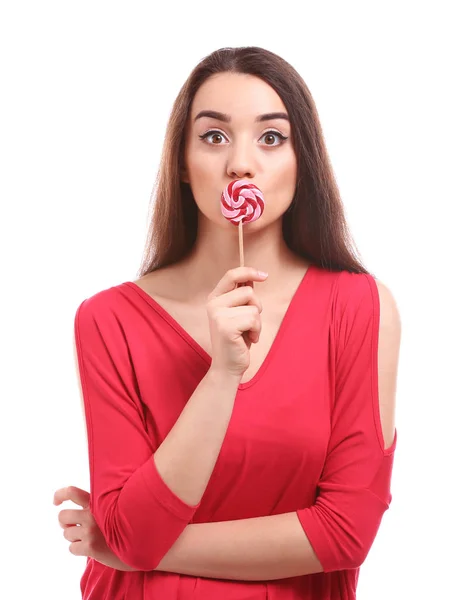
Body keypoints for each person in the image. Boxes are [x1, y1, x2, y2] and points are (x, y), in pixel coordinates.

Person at [54, 46, 401, 599]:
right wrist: (221, 375)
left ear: (301, 160)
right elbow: (132, 528)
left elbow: (346, 531)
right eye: (214, 136)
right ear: (182, 166)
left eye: (271, 137)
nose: (241, 163)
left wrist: (130, 547)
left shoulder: (359, 307)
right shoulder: (109, 319)